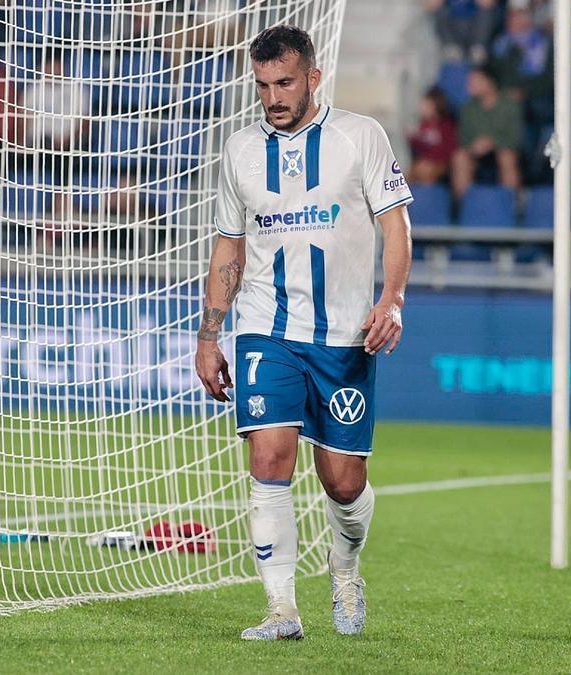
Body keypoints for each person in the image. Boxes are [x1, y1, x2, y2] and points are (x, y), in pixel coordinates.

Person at [195, 25, 413, 641]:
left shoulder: (360, 137)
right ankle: (281, 610)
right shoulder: (238, 150)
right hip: (266, 329)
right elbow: (229, 248)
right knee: (268, 456)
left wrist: (391, 299)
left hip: (345, 336)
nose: (273, 96)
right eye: (262, 85)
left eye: (284, 82)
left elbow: (395, 226)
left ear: (313, 77)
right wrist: (211, 334)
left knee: (343, 481)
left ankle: (345, 564)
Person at [452, 68, 522, 195]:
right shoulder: (467, 108)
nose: (470, 85)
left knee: (507, 157)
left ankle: (512, 202)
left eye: (476, 81)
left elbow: (514, 138)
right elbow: (463, 138)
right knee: (460, 158)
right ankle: (463, 204)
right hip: (476, 153)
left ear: (489, 82)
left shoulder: (510, 105)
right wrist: (474, 146)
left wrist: (492, 142)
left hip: (503, 149)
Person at [406, 87, 458, 186]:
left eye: (426, 106)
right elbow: (421, 147)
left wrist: (432, 160)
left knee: (424, 171)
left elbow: (449, 149)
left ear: (436, 106)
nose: (422, 109)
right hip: (424, 162)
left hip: (441, 164)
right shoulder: (423, 125)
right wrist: (412, 139)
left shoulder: (445, 126)